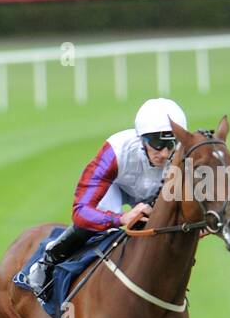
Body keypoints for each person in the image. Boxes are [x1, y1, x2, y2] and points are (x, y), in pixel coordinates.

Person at [26, 97, 188, 299]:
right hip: (115, 186)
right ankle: (50, 258)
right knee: (99, 228)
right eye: (156, 144)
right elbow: (80, 212)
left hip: (150, 195)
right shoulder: (115, 151)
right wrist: (120, 219)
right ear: (141, 139)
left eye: (171, 144)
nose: (164, 154)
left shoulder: (183, 159)